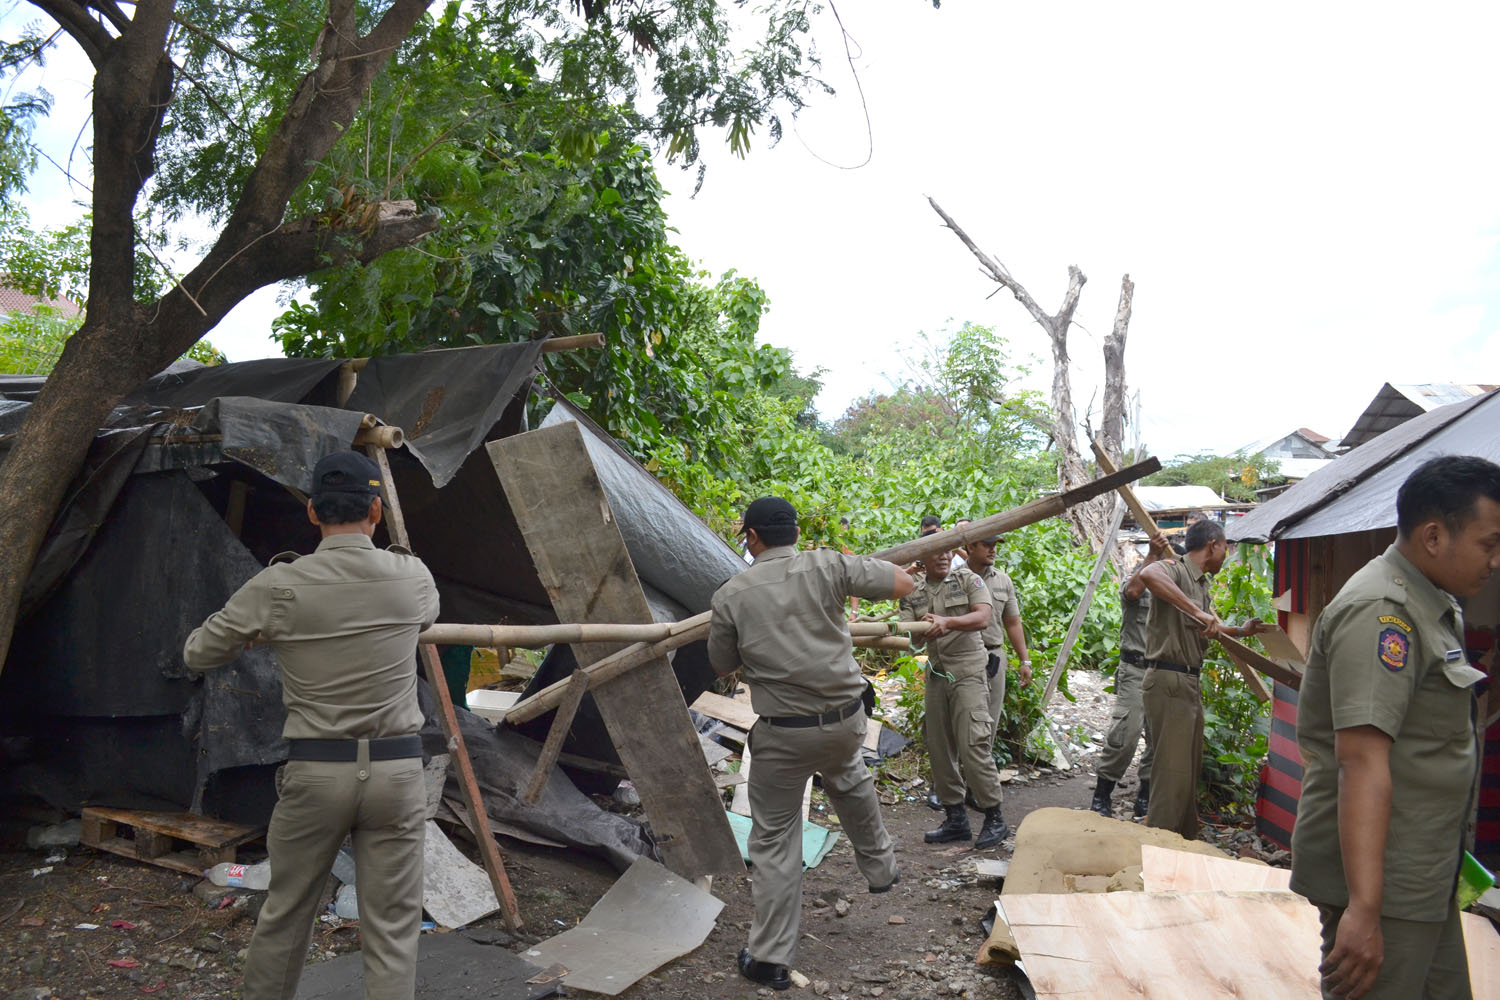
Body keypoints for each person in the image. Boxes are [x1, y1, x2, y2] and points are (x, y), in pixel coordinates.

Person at [183, 451, 439, 1000]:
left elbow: (199, 653)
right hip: (397, 774)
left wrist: (260, 629)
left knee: (287, 912)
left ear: (313, 515)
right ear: (376, 509)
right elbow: (426, 616)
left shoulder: (279, 586)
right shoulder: (411, 576)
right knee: (393, 928)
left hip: (319, 774)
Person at [1290, 456, 1500, 1000]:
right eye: (1489, 543)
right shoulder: (1384, 613)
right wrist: (1363, 909)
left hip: (1423, 874)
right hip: (1384, 887)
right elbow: (1360, 762)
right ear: (1434, 536)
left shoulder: (1435, 604)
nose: (1496, 561)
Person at [708, 496, 912, 992]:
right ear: (795, 533)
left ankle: (770, 959)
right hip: (847, 721)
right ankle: (881, 869)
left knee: (777, 840)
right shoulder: (829, 565)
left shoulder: (731, 594)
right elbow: (903, 583)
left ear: (751, 538)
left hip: (785, 733)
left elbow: (721, 665)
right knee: (849, 775)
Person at [1138, 519, 1265, 839]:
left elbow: (1208, 626)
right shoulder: (1176, 568)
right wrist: (1199, 613)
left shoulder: (1202, 584)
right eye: (1227, 548)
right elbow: (1148, 575)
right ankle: (1157, 852)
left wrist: (1240, 630)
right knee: (1171, 776)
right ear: (1213, 544)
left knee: (1186, 774)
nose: (1228, 555)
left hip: (1187, 683)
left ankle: (1181, 845)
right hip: (1169, 680)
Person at [901, 545, 1011, 850]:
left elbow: (983, 618)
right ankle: (955, 818)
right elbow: (910, 638)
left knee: (973, 743)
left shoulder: (968, 580)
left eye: (948, 551)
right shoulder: (913, 590)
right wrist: (918, 632)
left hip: (969, 673)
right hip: (937, 675)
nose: (943, 556)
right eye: (935, 552)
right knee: (939, 748)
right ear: (923, 557)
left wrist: (947, 623)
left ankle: (994, 817)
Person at [1090, 533, 1173, 819]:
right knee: (1125, 734)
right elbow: (1132, 593)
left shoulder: (1177, 592)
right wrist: (1151, 556)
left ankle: (1145, 796)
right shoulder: (1137, 584)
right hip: (1135, 669)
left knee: (1157, 736)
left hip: (1163, 670)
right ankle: (1102, 794)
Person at [963, 532, 1033, 748]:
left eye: (995, 545)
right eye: (987, 544)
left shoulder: (1003, 581)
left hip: (994, 658)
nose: (993, 550)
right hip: (962, 657)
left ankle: (980, 776)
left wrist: (1025, 661)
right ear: (970, 547)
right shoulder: (954, 578)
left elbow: (1012, 622)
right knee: (962, 719)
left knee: (989, 719)